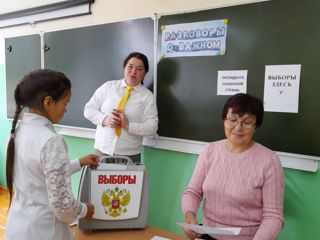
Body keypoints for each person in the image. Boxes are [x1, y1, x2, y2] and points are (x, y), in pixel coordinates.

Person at [5, 69, 99, 240]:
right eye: (65, 103)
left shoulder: (16, 132)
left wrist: (79, 162)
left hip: (18, 226)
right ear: (48, 102)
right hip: (45, 231)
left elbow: (41, 174)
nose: (66, 110)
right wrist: (85, 210)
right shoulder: (51, 141)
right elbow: (63, 207)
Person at [181, 93, 284, 240]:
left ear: (256, 126)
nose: (238, 127)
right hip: (207, 234)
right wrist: (189, 214)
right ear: (224, 120)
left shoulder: (269, 160)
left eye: (247, 122)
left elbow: (273, 217)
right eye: (232, 120)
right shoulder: (210, 151)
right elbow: (193, 192)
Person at [84, 52, 158, 163]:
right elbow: (88, 109)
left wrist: (128, 126)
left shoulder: (147, 97)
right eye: (130, 66)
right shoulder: (108, 86)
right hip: (102, 150)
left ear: (145, 73)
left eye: (139, 69)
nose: (133, 72)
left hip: (129, 155)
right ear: (124, 67)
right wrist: (105, 120)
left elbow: (152, 127)